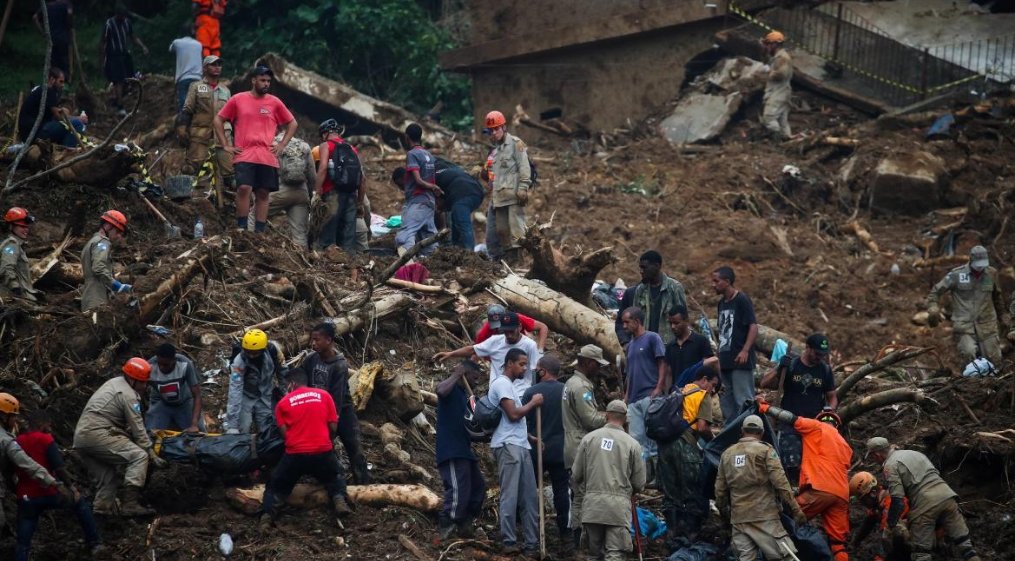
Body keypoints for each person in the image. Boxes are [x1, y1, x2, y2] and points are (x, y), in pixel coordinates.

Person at [260, 367, 352, 530]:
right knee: (334, 475)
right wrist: (326, 443)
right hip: (322, 450)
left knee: (276, 485)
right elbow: (333, 426)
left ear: (292, 384)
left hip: (296, 453)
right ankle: (339, 499)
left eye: (287, 384)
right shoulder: (324, 396)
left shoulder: (282, 403)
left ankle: (267, 516)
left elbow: (285, 435)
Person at [73, 358, 167, 516]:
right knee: (139, 457)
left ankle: (101, 514)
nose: (144, 387)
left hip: (82, 439)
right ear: (132, 379)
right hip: (97, 434)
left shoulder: (113, 383)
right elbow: (137, 428)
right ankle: (130, 503)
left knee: (108, 478)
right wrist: (150, 453)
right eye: (142, 383)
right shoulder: (129, 395)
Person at [759, 403, 851, 561]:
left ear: (821, 419)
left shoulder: (817, 427)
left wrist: (766, 408)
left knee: (786, 518)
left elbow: (790, 418)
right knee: (838, 543)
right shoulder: (845, 445)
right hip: (842, 494)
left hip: (820, 488)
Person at [865, 437, 982, 561]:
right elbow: (935, 473)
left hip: (926, 503)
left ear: (877, 454)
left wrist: (890, 526)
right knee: (966, 548)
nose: (874, 460)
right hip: (947, 496)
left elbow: (898, 500)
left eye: (872, 457)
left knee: (921, 554)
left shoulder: (890, 465)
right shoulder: (914, 453)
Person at [213, 65, 297, 232]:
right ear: (253, 80)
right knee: (244, 187)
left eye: (268, 81)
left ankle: (260, 230)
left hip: (267, 155)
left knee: (263, 192)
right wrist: (225, 144)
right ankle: (241, 227)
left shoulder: (274, 102)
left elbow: (292, 123)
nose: (266, 84)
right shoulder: (238, 99)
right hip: (244, 153)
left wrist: (281, 145)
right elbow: (218, 119)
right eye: (262, 80)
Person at [15, 409, 104, 560]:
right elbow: (59, 468)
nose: (50, 428)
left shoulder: (17, 441)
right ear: (42, 423)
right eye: (48, 425)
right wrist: (71, 488)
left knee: (24, 534)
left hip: (27, 497)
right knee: (80, 503)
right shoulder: (45, 439)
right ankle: (95, 543)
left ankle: (20, 557)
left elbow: (11, 469)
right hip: (50, 492)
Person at [715, 415, 806, 561]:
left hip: (739, 519)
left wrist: (726, 515)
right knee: (786, 557)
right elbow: (781, 484)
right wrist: (796, 509)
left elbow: (719, 491)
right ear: (762, 432)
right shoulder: (765, 451)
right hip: (765, 517)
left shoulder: (727, 454)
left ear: (742, 431)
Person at [571, 400, 646, 561]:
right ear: (626, 419)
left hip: (592, 507)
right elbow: (639, 483)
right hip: (618, 509)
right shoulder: (633, 444)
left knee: (593, 555)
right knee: (615, 554)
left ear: (605, 415)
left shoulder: (588, 439)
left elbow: (576, 475)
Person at [758, 333, 836, 485]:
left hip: (813, 425)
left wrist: (829, 412)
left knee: (813, 466)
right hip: (789, 423)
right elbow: (764, 383)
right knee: (791, 464)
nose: (819, 357)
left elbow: (832, 397)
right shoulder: (792, 365)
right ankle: (792, 496)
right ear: (807, 348)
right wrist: (780, 367)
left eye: (823, 354)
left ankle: (809, 497)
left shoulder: (825, 370)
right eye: (817, 353)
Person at [489, 348, 544, 554]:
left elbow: (512, 420)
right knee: (510, 495)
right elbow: (513, 414)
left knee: (529, 496)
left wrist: (529, 437)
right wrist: (533, 402)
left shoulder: (510, 386)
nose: (524, 368)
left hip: (520, 444)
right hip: (508, 446)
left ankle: (531, 543)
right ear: (510, 363)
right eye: (521, 364)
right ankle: (509, 542)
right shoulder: (502, 384)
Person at [302, 322, 369, 484]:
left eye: (317, 340)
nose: (313, 343)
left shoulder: (340, 365)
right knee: (321, 449)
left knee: (354, 447)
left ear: (328, 340)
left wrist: (332, 422)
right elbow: (302, 381)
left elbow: (336, 397)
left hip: (341, 412)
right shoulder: (311, 359)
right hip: (317, 411)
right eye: (312, 339)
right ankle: (328, 480)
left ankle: (364, 484)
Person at [658, 363, 718, 546]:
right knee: (691, 492)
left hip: (665, 446)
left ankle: (671, 535)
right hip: (686, 446)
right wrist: (713, 439)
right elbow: (702, 427)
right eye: (713, 385)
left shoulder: (678, 391)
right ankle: (691, 537)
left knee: (670, 492)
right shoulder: (702, 395)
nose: (713, 390)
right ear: (704, 380)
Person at [521, 354, 572, 553]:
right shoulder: (566, 391)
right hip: (561, 450)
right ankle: (565, 535)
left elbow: (522, 422)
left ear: (543, 371)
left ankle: (530, 535)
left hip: (536, 450)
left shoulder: (531, 392)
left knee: (530, 492)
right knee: (562, 493)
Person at [926, 245, 1007, 367]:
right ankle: (971, 383)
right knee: (969, 356)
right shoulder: (956, 275)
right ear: (970, 259)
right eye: (978, 264)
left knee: (994, 361)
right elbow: (935, 292)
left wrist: (1003, 317)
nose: (980, 267)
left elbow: (997, 297)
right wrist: (933, 309)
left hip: (987, 326)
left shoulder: (991, 274)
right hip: (965, 327)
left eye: (983, 264)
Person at [0, 395, 68, 536]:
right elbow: (27, 464)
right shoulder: (6, 441)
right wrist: (54, 483)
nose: (15, 421)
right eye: (13, 417)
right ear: (3, 416)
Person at [562, 344, 609, 546]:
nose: (599, 369)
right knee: (584, 494)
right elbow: (590, 419)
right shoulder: (581, 387)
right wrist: (611, 417)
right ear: (589, 363)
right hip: (581, 445)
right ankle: (582, 539)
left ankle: (578, 537)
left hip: (572, 444)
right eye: (597, 365)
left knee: (578, 494)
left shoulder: (571, 383)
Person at [434, 360, 486, 540]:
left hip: (464, 449)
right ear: (465, 374)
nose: (476, 382)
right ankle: (448, 522)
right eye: (474, 377)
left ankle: (464, 521)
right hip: (451, 448)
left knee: (478, 487)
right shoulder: (450, 390)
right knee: (458, 489)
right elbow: (440, 390)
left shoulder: (464, 395)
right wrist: (456, 374)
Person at [434, 312, 541, 393]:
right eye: (505, 331)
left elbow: (535, 370)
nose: (508, 335)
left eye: (511, 331)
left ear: (520, 327)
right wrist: (450, 354)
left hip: (520, 392)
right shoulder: (495, 341)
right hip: (496, 393)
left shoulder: (530, 345)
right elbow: (472, 350)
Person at [620, 306, 667, 473]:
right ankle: (643, 476)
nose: (624, 326)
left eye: (627, 322)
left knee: (653, 439)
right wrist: (626, 397)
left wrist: (659, 388)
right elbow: (630, 374)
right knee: (636, 440)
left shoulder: (652, 338)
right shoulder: (630, 346)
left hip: (650, 395)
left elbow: (662, 363)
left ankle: (658, 476)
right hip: (633, 399)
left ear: (637, 321)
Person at [248, 132, 314, 247]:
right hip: (301, 194)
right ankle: (301, 259)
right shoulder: (304, 146)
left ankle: (249, 245)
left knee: (254, 216)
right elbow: (312, 175)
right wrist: (310, 194)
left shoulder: (272, 144)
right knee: (299, 233)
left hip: (279, 191)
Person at [179, 54, 234, 193]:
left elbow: (232, 115)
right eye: (213, 64)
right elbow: (187, 109)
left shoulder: (226, 90)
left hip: (223, 135)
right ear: (205, 68)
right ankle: (186, 200)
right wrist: (182, 128)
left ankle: (229, 203)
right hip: (200, 132)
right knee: (191, 168)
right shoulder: (196, 87)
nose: (217, 67)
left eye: (219, 65)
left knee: (230, 173)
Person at [482, 110, 531, 263]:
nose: (494, 133)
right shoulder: (495, 152)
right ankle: (509, 260)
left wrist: (523, 188)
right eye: (491, 130)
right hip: (499, 197)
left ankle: (519, 260)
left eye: (497, 129)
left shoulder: (516, 144)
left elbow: (524, 167)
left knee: (517, 231)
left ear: (504, 128)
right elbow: (493, 177)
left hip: (514, 195)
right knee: (501, 231)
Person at [712, 266, 758, 425]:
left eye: (716, 281)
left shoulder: (742, 300)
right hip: (725, 361)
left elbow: (753, 326)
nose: (713, 285)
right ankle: (729, 435)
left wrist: (745, 350)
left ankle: (749, 432)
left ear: (727, 281)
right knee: (726, 403)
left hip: (740, 361)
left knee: (744, 401)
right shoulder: (721, 304)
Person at [315, 119, 364, 251]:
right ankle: (349, 262)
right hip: (351, 195)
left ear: (325, 134)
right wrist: (360, 201)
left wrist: (316, 191)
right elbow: (362, 177)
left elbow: (323, 168)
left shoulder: (326, 145)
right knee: (348, 235)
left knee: (328, 234)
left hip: (332, 193)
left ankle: (324, 264)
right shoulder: (352, 148)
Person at [395, 123, 441, 257]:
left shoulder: (412, 154)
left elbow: (418, 180)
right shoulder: (429, 155)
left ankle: (409, 267)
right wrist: (433, 188)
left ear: (407, 137)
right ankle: (435, 264)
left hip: (418, 201)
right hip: (429, 202)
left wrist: (432, 186)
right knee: (429, 239)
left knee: (403, 238)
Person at [225, 329, 282, 434]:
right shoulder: (239, 362)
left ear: (263, 349)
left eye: (254, 353)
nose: (251, 356)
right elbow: (235, 389)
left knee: (267, 430)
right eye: (248, 352)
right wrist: (232, 425)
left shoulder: (273, 352)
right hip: (245, 395)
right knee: (243, 427)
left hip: (266, 394)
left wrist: (286, 396)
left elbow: (283, 374)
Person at [16, 67, 88, 148]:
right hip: (35, 133)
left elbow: (55, 113)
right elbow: (59, 117)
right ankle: (68, 149)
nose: (62, 85)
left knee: (67, 127)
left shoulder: (42, 90)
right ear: (52, 79)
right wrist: (78, 118)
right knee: (78, 124)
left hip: (27, 134)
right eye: (60, 82)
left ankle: (62, 148)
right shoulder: (49, 91)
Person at [849, 471, 912, 561]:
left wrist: (879, 558)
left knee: (896, 539)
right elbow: (868, 524)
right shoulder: (879, 502)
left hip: (916, 538)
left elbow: (886, 536)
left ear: (873, 493)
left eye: (863, 500)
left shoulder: (891, 502)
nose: (862, 504)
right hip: (903, 535)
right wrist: (855, 543)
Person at [629, 251, 687, 344]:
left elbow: (683, 319)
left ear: (657, 266)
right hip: (646, 345)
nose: (641, 271)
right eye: (640, 267)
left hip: (668, 345)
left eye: (644, 267)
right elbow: (635, 320)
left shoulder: (674, 287)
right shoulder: (641, 290)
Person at [101, 3, 148, 116]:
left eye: (124, 16)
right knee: (118, 80)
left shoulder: (127, 23)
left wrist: (143, 46)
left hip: (125, 54)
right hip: (113, 55)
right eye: (121, 16)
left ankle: (120, 101)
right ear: (117, 15)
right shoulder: (109, 24)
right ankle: (120, 107)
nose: (123, 18)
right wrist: (102, 59)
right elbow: (103, 42)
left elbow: (132, 37)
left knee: (131, 78)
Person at [145, 343, 204, 432]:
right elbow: (138, 391)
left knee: (198, 434)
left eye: (165, 365)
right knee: (151, 434)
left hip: (184, 403)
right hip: (161, 403)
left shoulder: (185, 364)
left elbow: (197, 395)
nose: (161, 367)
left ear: (174, 360)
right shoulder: (149, 366)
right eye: (159, 363)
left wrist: (194, 424)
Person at [81, 210, 130, 312]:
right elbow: (98, 268)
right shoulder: (102, 242)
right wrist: (116, 285)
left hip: (90, 295)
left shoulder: (92, 241)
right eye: (117, 232)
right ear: (108, 226)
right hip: (96, 297)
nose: (118, 236)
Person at [435, 157, 485, 249]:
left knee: (463, 224)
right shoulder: (448, 169)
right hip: (475, 191)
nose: (437, 208)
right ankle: (456, 250)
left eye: (436, 204)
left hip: (465, 193)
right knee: (456, 221)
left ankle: (471, 256)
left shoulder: (433, 177)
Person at [665, 305, 714, 389]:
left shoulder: (701, 341)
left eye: (676, 323)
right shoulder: (670, 346)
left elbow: (709, 367)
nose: (673, 327)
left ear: (686, 321)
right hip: (677, 394)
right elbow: (669, 374)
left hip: (697, 393)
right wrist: (668, 393)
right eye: (671, 323)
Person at [1, 207, 41, 302]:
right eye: (22, 227)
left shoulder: (17, 245)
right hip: (18, 298)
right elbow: (6, 267)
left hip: (24, 296)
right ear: (11, 227)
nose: (26, 230)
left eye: (26, 227)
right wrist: (15, 288)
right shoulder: (12, 244)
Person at [474, 304, 549, 350]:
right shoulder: (486, 330)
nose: (498, 328)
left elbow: (543, 327)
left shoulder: (518, 318)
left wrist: (540, 350)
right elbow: (477, 350)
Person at [761, 30, 792, 140]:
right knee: (782, 121)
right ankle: (789, 142)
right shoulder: (776, 57)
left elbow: (781, 75)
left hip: (779, 92)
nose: (767, 47)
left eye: (768, 44)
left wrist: (769, 71)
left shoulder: (782, 57)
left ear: (775, 44)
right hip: (781, 91)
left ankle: (779, 141)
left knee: (768, 118)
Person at [34, 0, 74, 82]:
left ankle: (55, 81)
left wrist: (43, 33)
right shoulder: (66, 4)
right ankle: (65, 80)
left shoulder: (47, 6)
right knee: (64, 60)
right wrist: (70, 27)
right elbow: (70, 14)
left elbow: (35, 18)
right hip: (63, 37)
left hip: (51, 38)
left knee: (54, 61)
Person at [169, 23, 203, 112]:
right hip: (198, 78)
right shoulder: (199, 44)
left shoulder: (177, 42)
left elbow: (170, 49)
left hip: (183, 78)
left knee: (184, 104)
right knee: (198, 103)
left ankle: (184, 122)